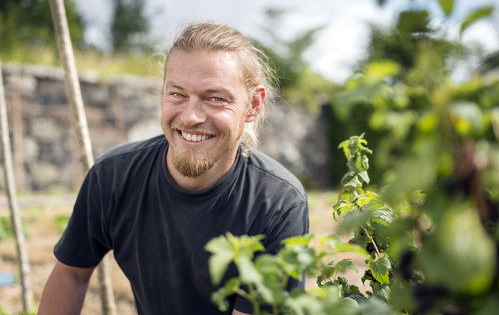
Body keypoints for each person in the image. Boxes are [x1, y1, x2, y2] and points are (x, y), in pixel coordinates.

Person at [37, 22, 309, 314]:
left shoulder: (277, 203)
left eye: (215, 98)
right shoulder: (113, 176)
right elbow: (71, 273)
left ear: (253, 105)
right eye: (177, 94)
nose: (190, 116)